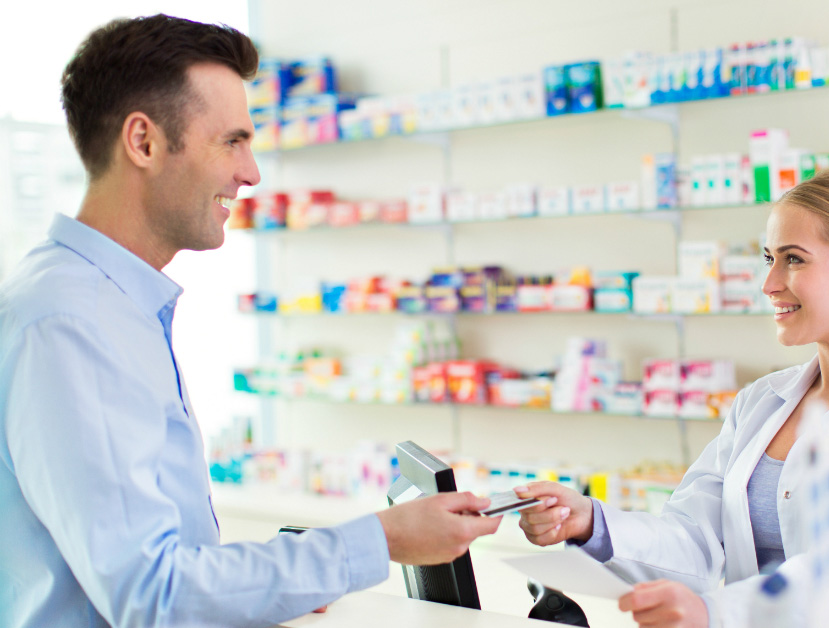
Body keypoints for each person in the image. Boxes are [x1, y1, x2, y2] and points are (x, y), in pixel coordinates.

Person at [0, 15, 500, 628]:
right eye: (231, 141)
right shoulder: (73, 320)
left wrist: (286, 579)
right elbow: (152, 594)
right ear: (144, 142)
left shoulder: (103, 303)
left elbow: (158, 557)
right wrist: (380, 542)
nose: (251, 172)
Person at [517, 168, 829, 627]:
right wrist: (590, 523)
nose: (769, 284)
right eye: (770, 259)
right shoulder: (760, 402)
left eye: (794, 259)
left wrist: (717, 615)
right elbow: (697, 543)